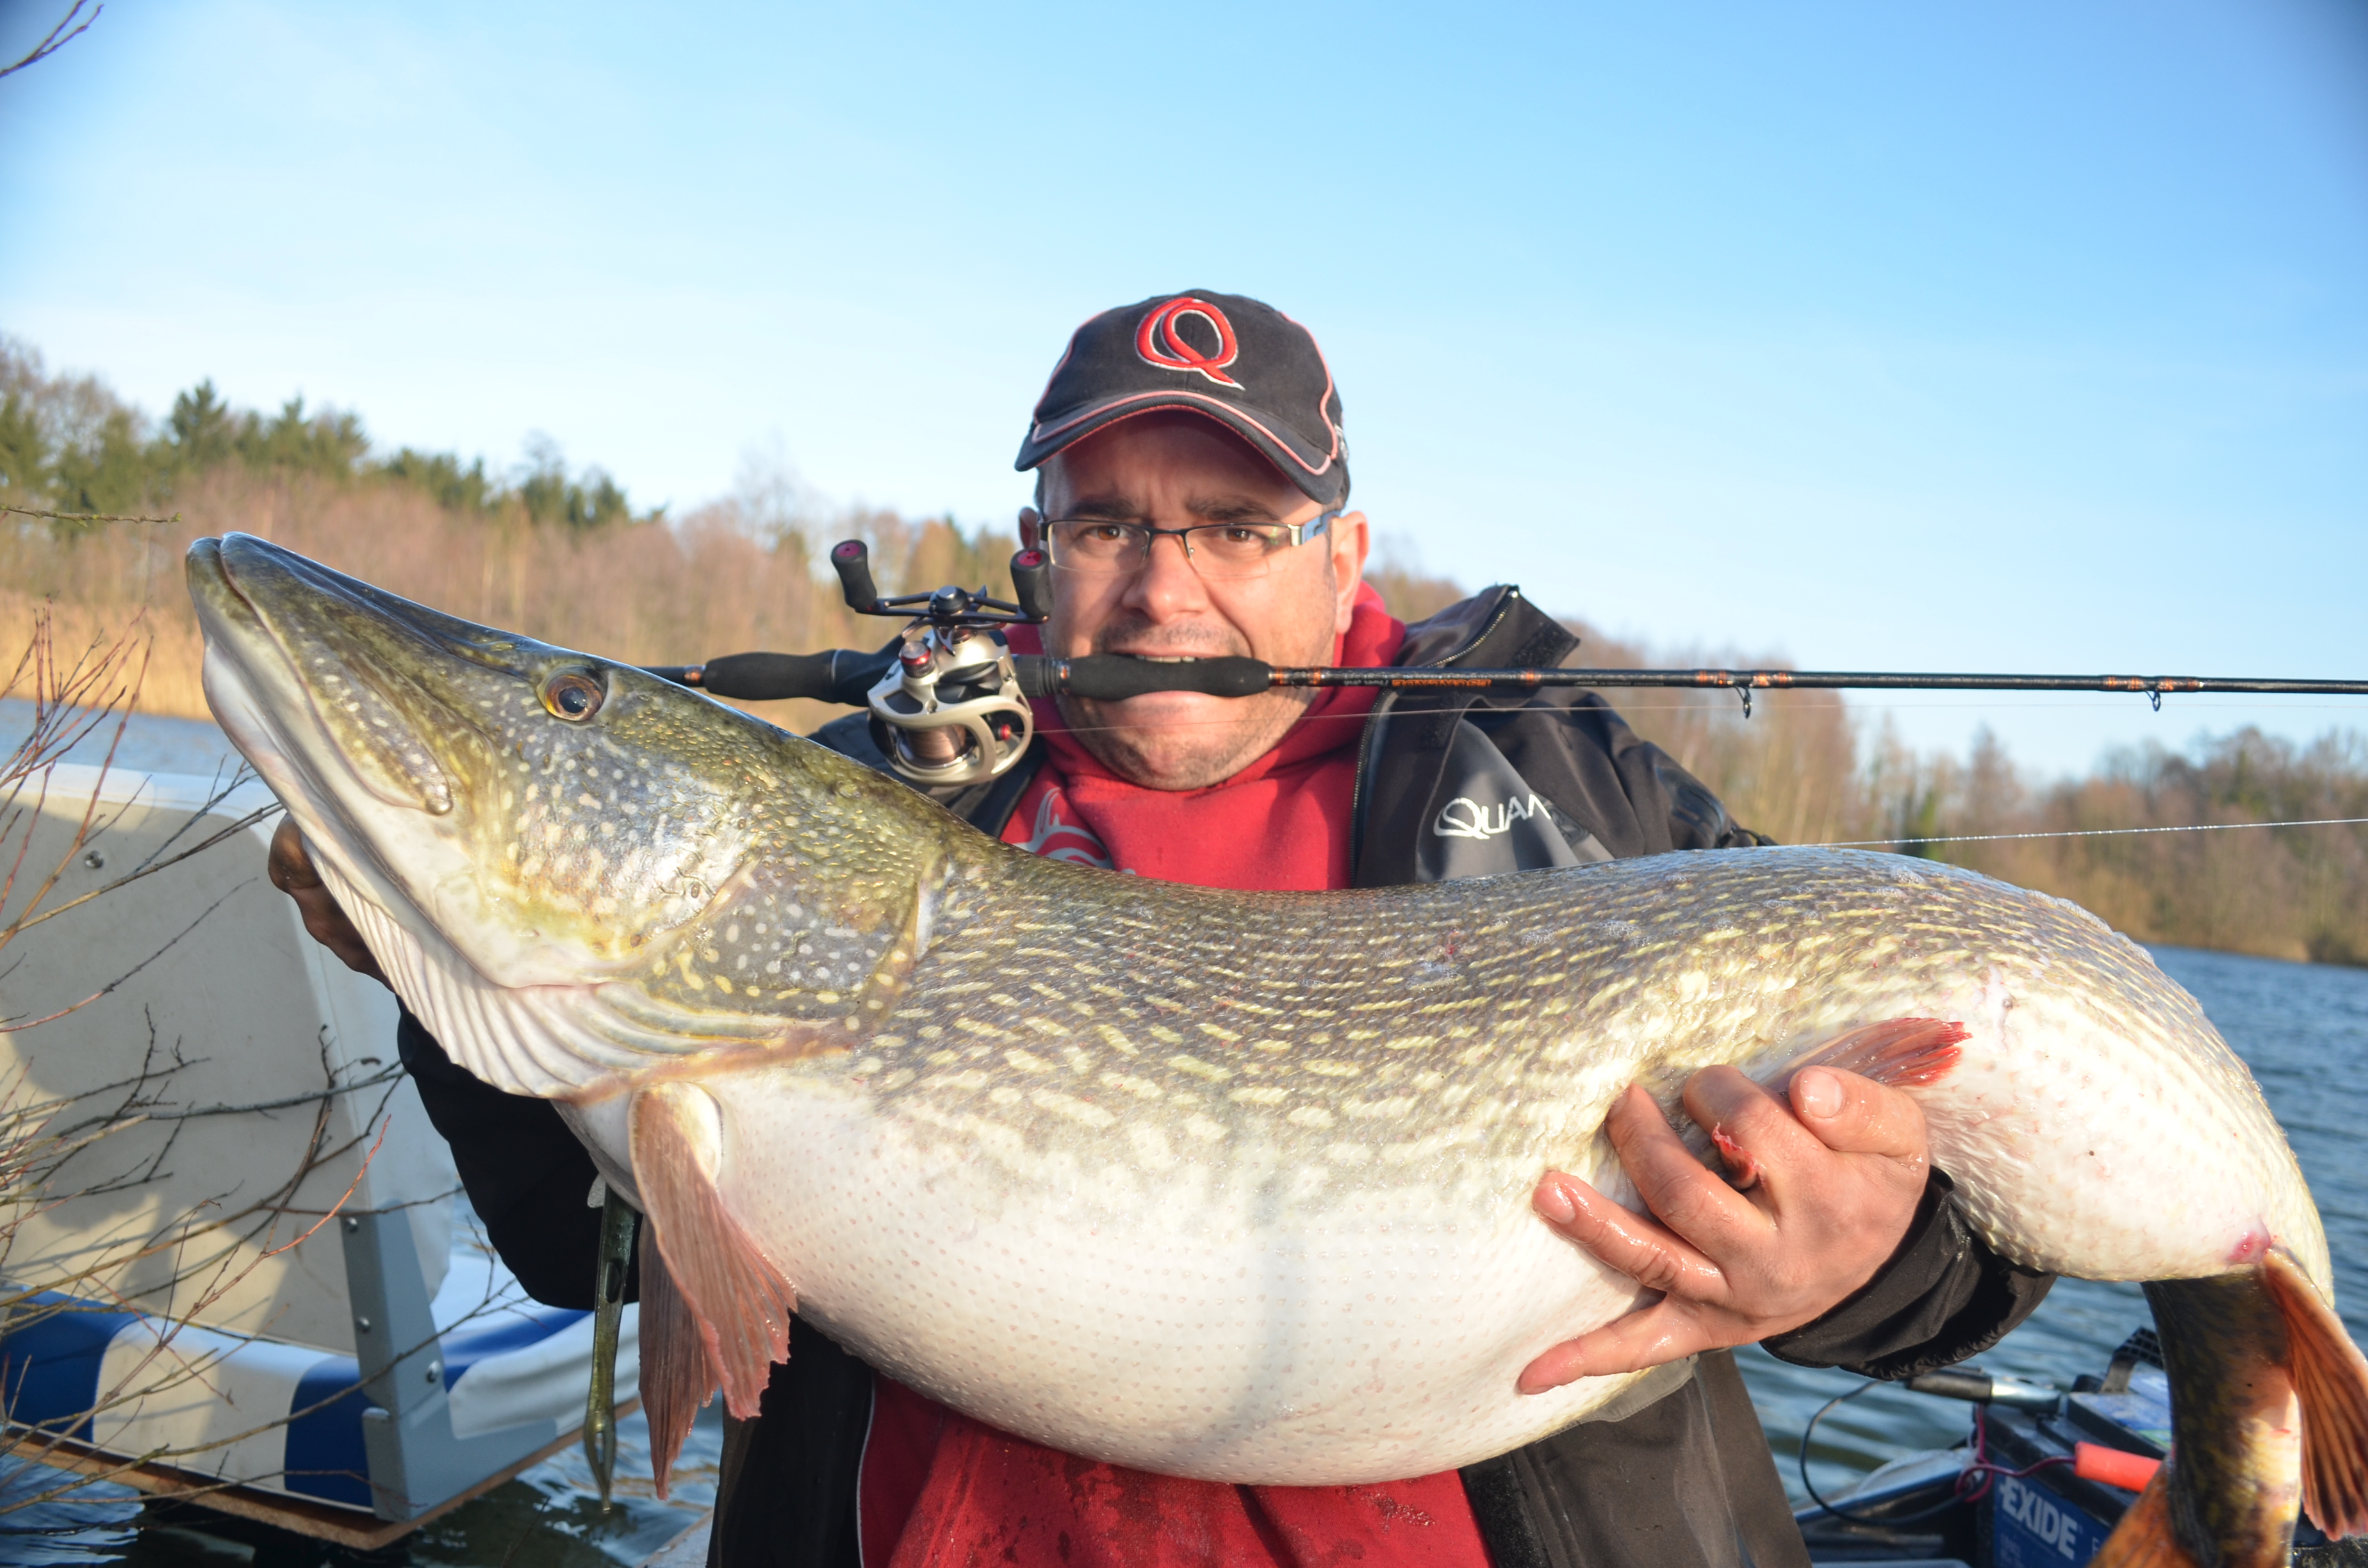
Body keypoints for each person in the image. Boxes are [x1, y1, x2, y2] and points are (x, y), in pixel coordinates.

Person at [271, 290, 2051, 1568]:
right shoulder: (880, 816)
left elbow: (1980, 1230)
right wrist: (444, 978)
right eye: (1107, 520)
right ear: (1034, 554)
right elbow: (589, 1255)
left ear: (1342, 559)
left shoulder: (1566, 795)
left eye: (1236, 525)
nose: (1165, 581)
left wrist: (1857, 1258)